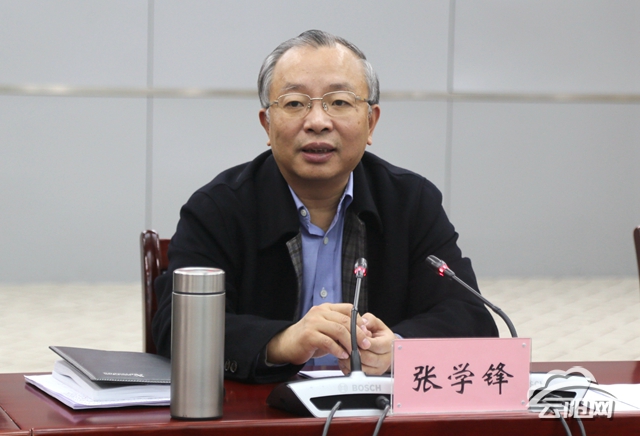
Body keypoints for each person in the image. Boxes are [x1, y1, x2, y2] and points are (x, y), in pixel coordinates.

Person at [152, 29, 498, 384]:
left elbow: (471, 316)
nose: (317, 122)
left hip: (377, 410)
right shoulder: (218, 209)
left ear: (371, 122)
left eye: (340, 102)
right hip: (263, 409)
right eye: (294, 103)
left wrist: (398, 347)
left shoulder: (411, 203)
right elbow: (175, 327)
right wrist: (281, 343)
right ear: (267, 125)